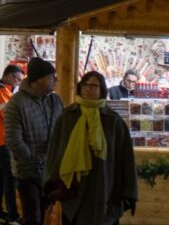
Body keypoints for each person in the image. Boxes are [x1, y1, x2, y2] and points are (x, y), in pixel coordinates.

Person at [43, 71, 138, 225]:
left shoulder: (113, 121)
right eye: (85, 85)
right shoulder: (67, 117)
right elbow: (55, 152)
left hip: (104, 189)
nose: (88, 89)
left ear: (102, 90)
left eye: (94, 85)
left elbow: (125, 158)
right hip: (74, 191)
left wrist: (129, 192)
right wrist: (49, 184)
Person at [3, 57, 64, 225]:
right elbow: (14, 140)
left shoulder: (56, 101)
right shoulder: (16, 103)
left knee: (46, 214)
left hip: (52, 171)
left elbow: (64, 132)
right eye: (51, 77)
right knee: (33, 217)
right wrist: (35, 163)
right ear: (37, 80)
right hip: (28, 173)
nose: (55, 81)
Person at [0, 64, 24, 225]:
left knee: (1, 179)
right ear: (9, 76)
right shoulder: (1, 92)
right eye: (18, 79)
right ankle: (12, 215)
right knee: (9, 179)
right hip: (2, 140)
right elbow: (7, 115)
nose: (18, 82)